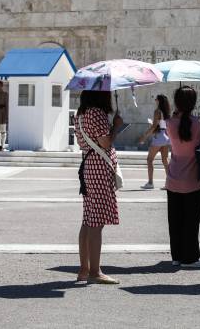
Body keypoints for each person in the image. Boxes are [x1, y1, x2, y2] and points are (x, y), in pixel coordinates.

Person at [75, 90, 123, 285]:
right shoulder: (97, 113)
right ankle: (95, 271)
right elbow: (105, 142)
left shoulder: (81, 114)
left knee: (88, 220)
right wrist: (116, 127)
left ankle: (84, 269)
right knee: (97, 222)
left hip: (88, 166)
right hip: (99, 168)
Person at [165, 86, 200, 268]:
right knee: (192, 220)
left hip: (174, 176)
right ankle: (190, 258)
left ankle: (176, 256)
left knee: (175, 220)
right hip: (194, 178)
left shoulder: (169, 123)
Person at [139, 94, 171, 190]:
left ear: (159, 101)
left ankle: (150, 183)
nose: (155, 100)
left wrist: (144, 137)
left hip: (158, 137)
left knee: (149, 160)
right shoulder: (167, 112)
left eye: (156, 99)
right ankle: (169, 183)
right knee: (165, 161)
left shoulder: (157, 111)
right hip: (166, 137)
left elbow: (153, 126)